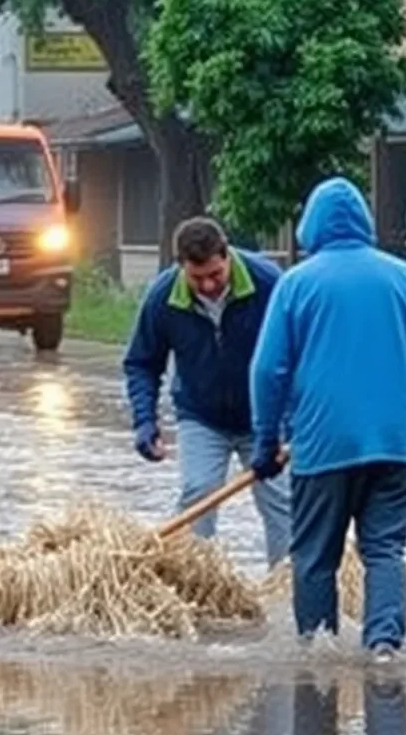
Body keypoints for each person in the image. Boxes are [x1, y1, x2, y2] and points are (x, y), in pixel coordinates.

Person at [250, 177, 406, 659]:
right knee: (385, 551)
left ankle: (316, 652)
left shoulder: (296, 284)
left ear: (311, 226)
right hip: (396, 443)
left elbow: (267, 370)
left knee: (314, 557)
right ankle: (385, 645)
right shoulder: (405, 277)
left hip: (323, 445)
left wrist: (265, 442)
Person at [124, 216, 291, 568]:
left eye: (215, 274)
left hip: (264, 419)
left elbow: (298, 355)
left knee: (281, 501)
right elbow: (142, 363)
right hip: (202, 417)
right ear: (180, 266)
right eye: (197, 278)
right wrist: (145, 423)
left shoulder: (269, 284)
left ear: (226, 255)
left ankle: (288, 592)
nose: (209, 285)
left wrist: (285, 425)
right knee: (198, 493)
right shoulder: (163, 297)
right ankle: (194, 588)